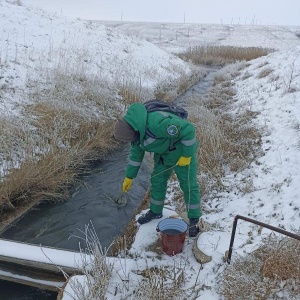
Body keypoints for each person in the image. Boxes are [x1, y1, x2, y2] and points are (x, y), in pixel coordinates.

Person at [113, 102, 201, 237]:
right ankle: (155, 211)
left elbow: (188, 129)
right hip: (163, 154)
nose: (129, 142)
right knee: (157, 181)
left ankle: (194, 219)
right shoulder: (136, 136)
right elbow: (135, 156)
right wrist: (129, 177)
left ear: (132, 132)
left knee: (188, 185)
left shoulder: (156, 123)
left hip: (181, 153)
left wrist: (187, 155)